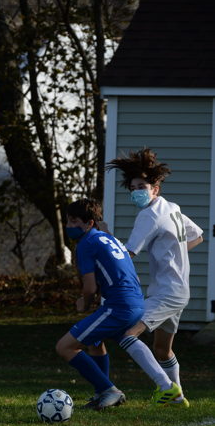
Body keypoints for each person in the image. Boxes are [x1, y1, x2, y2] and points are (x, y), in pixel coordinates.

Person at [106, 148, 203, 406]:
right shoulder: (172, 208)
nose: (136, 192)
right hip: (179, 291)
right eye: (133, 188)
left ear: (155, 189)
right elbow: (198, 236)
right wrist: (173, 251)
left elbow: (127, 253)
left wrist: (104, 236)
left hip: (167, 292)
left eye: (142, 187)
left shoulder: (148, 215)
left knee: (127, 335)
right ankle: (177, 397)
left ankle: (166, 387)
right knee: (162, 349)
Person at [55, 198, 145, 410]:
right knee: (95, 342)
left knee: (64, 347)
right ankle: (101, 394)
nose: (69, 226)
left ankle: (109, 390)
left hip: (120, 306)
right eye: (67, 220)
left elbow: (89, 288)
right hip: (136, 303)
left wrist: (84, 303)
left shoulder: (86, 244)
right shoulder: (107, 238)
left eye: (74, 221)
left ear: (89, 223)